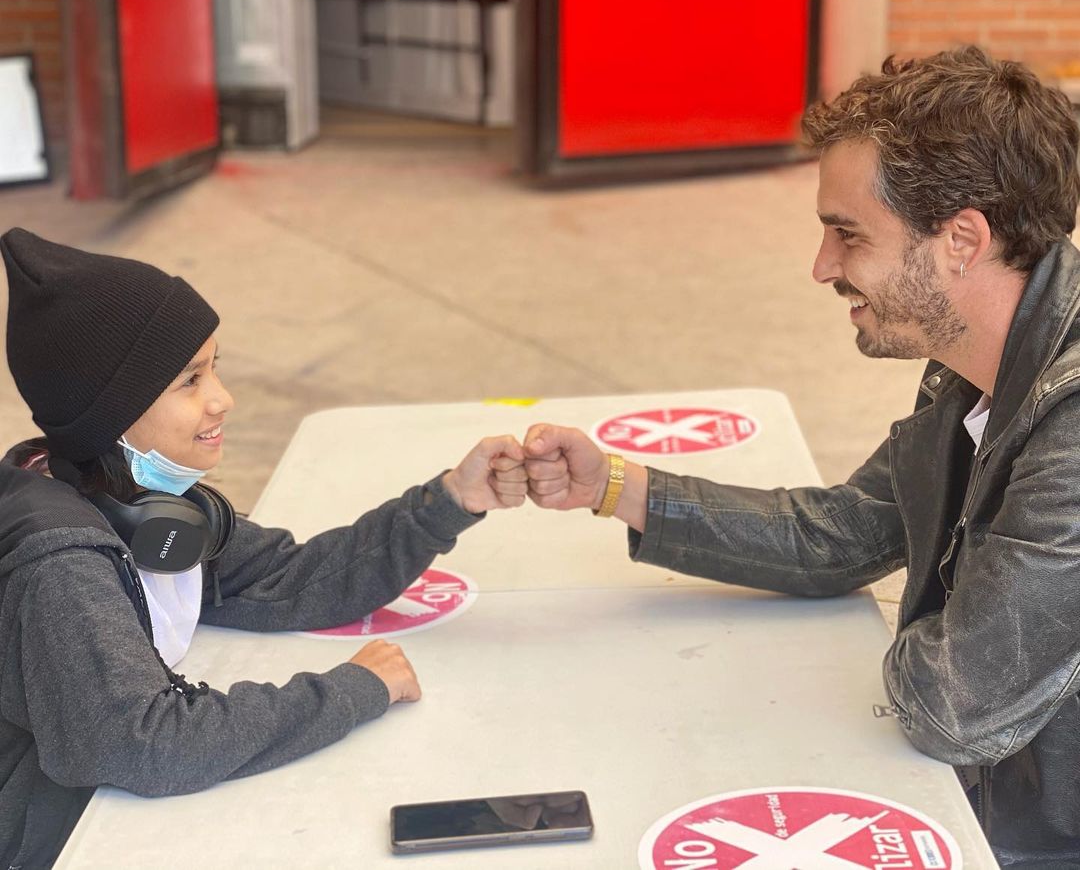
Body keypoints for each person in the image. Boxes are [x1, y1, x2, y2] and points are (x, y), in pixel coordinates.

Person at [512, 46, 1080, 867]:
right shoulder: (978, 360)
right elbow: (846, 534)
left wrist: (938, 621)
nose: (822, 269)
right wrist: (618, 487)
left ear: (962, 240)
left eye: (847, 235)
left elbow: (957, 701)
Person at [0, 228, 526, 868]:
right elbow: (144, 745)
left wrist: (450, 500)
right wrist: (353, 691)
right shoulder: (63, 564)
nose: (223, 398)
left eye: (215, 368)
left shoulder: (150, 502)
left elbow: (296, 578)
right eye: (189, 381)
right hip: (57, 839)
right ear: (108, 412)